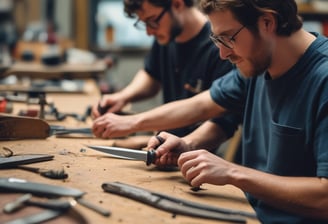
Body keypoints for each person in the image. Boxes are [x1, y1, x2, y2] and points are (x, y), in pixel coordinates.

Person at [145, 0, 328, 223]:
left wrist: (232, 173)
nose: (222, 54)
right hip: (248, 213)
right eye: (216, 39)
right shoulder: (257, 63)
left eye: (228, 38)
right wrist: (187, 144)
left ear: (267, 22)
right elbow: (203, 103)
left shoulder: (322, 79)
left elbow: (325, 198)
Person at [91, 0, 239, 149]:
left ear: (177, 4)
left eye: (152, 21)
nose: (149, 32)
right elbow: (151, 75)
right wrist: (123, 96)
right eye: (144, 23)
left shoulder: (221, 49)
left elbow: (220, 119)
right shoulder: (167, 35)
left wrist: (186, 144)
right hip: (163, 145)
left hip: (196, 157)